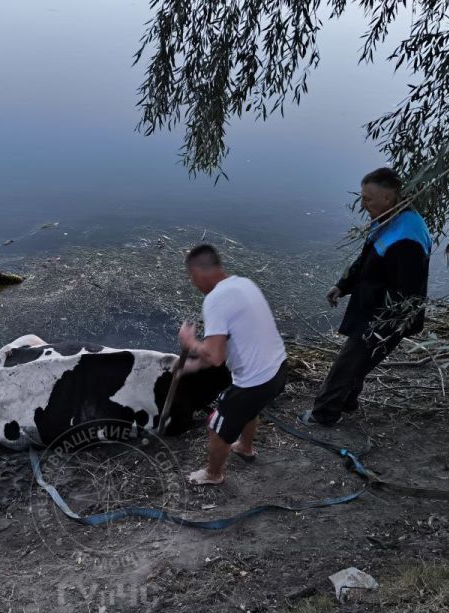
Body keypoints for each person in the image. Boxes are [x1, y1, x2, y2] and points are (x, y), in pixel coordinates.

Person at [300, 167, 431, 427]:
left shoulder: (408, 240)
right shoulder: (387, 218)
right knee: (357, 361)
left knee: (347, 363)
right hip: (370, 304)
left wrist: (379, 326)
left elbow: (407, 293)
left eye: (368, 199)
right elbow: (367, 257)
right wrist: (343, 285)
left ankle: (323, 415)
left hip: (385, 316)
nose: (362, 204)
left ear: (390, 196)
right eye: (362, 197)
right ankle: (347, 402)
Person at [177, 244, 288, 485]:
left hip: (255, 382)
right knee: (249, 410)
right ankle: (245, 448)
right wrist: (195, 367)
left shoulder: (215, 299)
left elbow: (216, 356)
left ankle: (213, 474)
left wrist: (190, 342)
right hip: (278, 369)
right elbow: (226, 344)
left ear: (199, 273)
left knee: (217, 427)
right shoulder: (243, 284)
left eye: (192, 278)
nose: (194, 284)